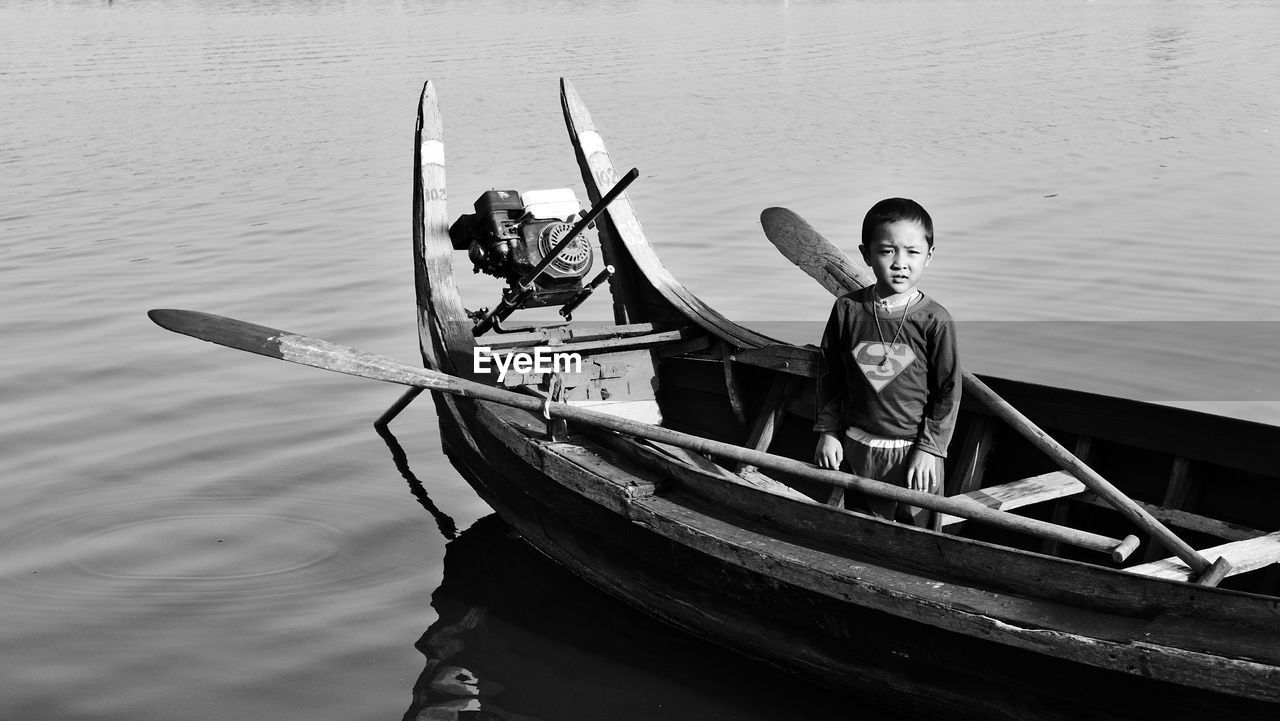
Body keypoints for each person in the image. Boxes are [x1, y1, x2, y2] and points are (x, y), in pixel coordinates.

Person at [813, 197, 961, 525]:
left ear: (929, 256)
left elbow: (948, 391)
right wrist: (829, 431)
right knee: (864, 533)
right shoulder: (847, 310)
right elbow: (830, 376)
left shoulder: (935, 320)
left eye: (912, 251)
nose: (900, 263)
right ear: (866, 254)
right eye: (887, 251)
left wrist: (931, 449)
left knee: (918, 540)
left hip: (914, 455)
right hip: (856, 446)